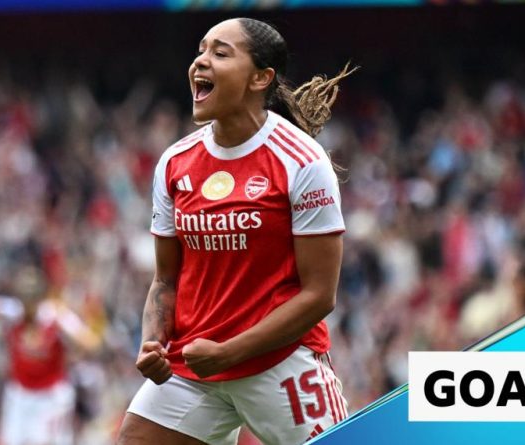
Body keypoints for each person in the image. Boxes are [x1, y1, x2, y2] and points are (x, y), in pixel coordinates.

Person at [118, 17, 354, 445]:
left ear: (260, 78)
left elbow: (320, 295)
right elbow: (166, 278)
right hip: (194, 368)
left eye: (220, 53)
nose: (200, 62)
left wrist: (228, 352)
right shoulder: (174, 163)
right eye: (201, 51)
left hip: (280, 363)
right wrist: (152, 342)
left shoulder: (303, 161)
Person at [0, 267, 99, 445]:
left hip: (50, 395)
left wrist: (72, 334)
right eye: (24, 298)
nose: (27, 304)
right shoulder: (15, 312)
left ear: (40, 298)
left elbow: (89, 342)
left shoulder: (54, 316)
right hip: (20, 393)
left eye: (31, 298)